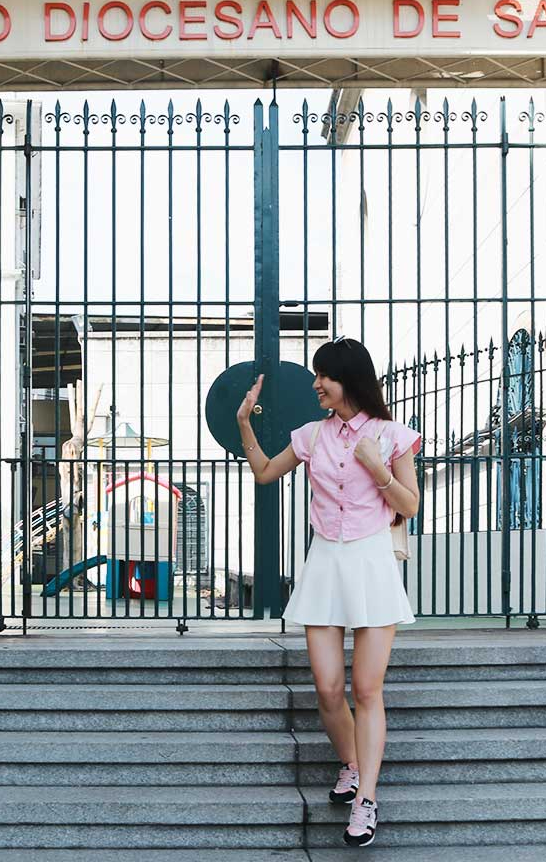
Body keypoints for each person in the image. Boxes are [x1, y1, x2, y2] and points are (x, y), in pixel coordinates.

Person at [236, 337, 420, 848]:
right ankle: (351, 764)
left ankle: (367, 800)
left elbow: (410, 505)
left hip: (371, 564)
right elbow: (265, 472)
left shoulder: (391, 435)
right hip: (324, 563)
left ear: (349, 381)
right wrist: (245, 423)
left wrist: (377, 468)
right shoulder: (312, 435)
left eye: (325, 376)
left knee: (367, 689)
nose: (316, 384)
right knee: (327, 686)